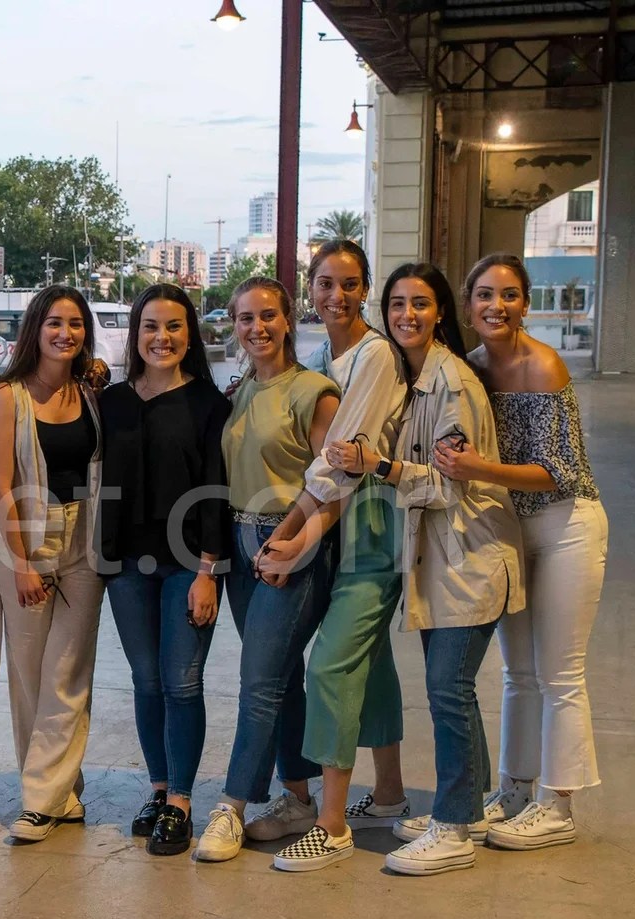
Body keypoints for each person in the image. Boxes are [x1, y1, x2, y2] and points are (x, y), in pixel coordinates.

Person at [324, 262, 525, 876]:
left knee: (447, 689)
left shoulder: (451, 382)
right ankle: (469, 808)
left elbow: (452, 485)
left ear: (441, 312)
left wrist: (379, 466)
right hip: (443, 557)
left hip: (469, 555)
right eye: (397, 305)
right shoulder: (410, 375)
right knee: (450, 689)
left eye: (420, 304)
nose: (406, 316)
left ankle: (455, 825)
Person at [437, 252, 605, 850]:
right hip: (509, 529)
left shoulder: (544, 366)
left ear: (525, 304)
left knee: (561, 672)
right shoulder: (471, 367)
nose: (496, 306)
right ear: (468, 303)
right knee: (518, 673)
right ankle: (514, 789)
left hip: (565, 525)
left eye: (509, 295)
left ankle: (557, 805)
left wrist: (481, 468)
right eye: (484, 294)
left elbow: (560, 471)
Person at [253, 241, 413, 862]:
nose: (336, 296)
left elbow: (336, 464)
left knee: (331, 666)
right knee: (372, 666)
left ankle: (332, 826)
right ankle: (392, 794)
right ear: (309, 290)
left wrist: (293, 530)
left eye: (348, 283)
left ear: (365, 288)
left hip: (370, 521)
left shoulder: (374, 355)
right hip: (335, 519)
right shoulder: (323, 354)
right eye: (324, 284)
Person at [192, 277, 340, 868]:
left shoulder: (314, 393)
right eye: (245, 318)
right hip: (239, 540)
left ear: (289, 319)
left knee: (258, 681)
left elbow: (333, 486)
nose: (257, 328)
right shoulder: (243, 388)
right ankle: (299, 797)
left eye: (269, 316)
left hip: (290, 540)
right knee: (282, 680)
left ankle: (232, 804)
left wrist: (299, 543)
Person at [98, 284, 230, 856]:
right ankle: (156, 788)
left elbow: (216, 493)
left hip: (189, 564)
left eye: (174, 326)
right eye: (151, 326)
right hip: (127, 564)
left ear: (189, 334)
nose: (162, 337)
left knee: (181, 682)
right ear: (135, 333)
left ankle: (180, 800)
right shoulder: (110, 401)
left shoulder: (209, 403)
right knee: (146, 682)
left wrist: (209, 571)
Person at [0, 285, 105, 843]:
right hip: (27, 538)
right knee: (30, 677)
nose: (66, 333)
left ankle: (44, 798)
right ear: (36, 328)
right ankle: (54, 793)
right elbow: (0, 484)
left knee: (70, 672)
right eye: (55, 322)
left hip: (84, 537)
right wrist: (20, 563)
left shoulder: (90, 392)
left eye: (76, 323)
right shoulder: (9, 397)